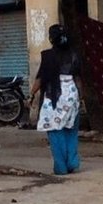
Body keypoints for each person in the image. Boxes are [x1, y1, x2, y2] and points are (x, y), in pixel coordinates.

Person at [30, 23, 82, 175]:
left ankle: (61, 167)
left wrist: (31, 94)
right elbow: (78, 78)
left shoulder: (48, 56)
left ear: (51, 39)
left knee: (54, 130)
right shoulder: (74, 54)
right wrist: (81, 97)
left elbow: (40, 79)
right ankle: (72, 162)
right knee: (71, 130)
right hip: (72, 96)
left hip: (54, 98)